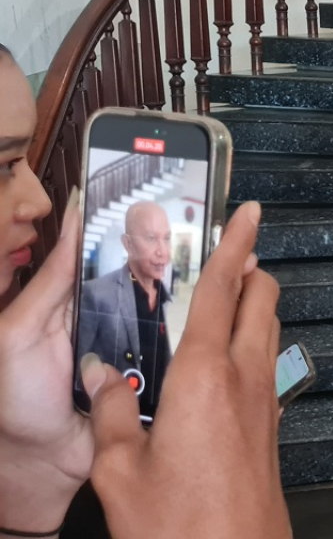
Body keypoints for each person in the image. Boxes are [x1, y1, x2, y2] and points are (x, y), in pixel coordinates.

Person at [0, 43, 291, 538]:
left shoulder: (181, 300)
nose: (41, 201)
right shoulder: (99, 298)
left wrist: (34, 470)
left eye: (25, 160)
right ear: (127, 243)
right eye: (4, 166)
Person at [78, 200, 174, 417]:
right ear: (128, 244)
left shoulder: (166, 299)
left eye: (167, 238)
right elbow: (78, 369)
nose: (162, 251)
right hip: (113, 418)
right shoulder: (97, 294)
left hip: (161, 419)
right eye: (151, 238)